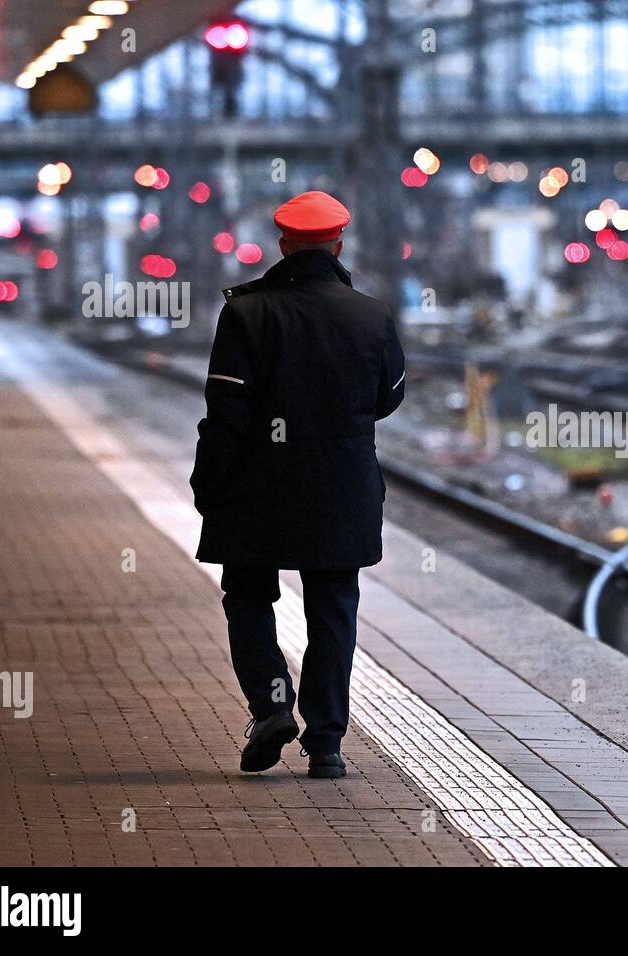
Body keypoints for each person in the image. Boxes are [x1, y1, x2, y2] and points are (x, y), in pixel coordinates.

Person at [189, 190, 405, 778]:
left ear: (283, 246)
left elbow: (226, 413)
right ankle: (328, 745)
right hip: (342, 488)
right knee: (334, 607)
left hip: (257, 488)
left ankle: (271, 704)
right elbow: (387, 400)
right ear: (339, 244)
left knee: (249, 596)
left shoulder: (246, 313)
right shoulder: (372, 315)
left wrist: (207, 487)